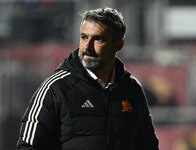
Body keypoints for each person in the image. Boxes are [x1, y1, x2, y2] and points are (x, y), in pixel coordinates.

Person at [16, 7, 159, 150]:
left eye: (98, 39)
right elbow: (28, 146)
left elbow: (148, 145)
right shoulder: (55, 88)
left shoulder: (132, 89)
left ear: (118, 45)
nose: (87, 47)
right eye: (84, 37)